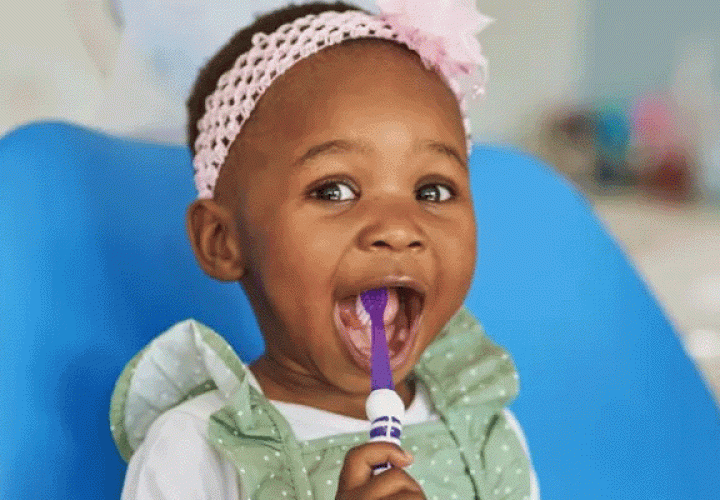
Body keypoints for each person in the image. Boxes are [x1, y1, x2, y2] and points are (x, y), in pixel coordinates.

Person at [110, 1, 541, 498]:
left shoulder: (487, 433)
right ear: (223, 241)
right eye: (334, 190)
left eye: (432, 192)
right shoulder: (197, 449)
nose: (399, 228)